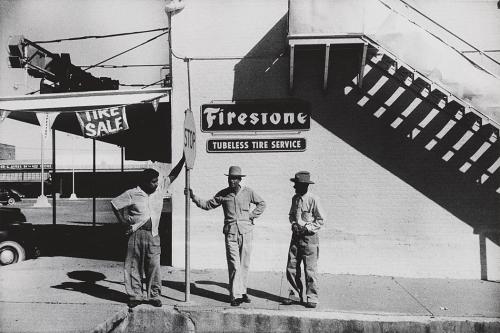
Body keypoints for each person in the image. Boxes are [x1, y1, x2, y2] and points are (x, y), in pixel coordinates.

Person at [111, 155, 185, 308]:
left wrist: (184, 160)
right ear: (144, 182)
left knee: (154, 266)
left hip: (153, 235)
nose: (156, 184)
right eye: (153, 182)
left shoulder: (159, 189)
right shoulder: (132, 193)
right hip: (136, 234)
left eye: (157, 181)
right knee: (134, 266)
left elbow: (173, 175)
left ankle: (154, 296)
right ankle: (135, 295)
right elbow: (115, 204)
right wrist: (123, 222)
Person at [188, 166, 266, 306]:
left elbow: (262, 203)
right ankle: (235, 296)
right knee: (234, 264)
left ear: (240, 179)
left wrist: (251, 216)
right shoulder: (224, 194)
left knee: (244, 265)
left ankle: (242, 292)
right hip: (230, 233)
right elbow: (207, 205)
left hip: (246, 232)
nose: (232, 181)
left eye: (235, 178)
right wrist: (193, 197)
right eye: (230, 178)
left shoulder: (248, 192)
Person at [283, 171, 325, 309]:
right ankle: (294, 293)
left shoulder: (314, 199)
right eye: (295, 184)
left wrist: (306, 228)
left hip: (309, 238)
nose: (295, 187)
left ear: (305, 185)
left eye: (297, 185)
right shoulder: (295, 198)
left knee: (310, 269)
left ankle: (312, 297)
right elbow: (291, 215)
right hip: (296, 237)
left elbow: (321, 220)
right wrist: (294, 224)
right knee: (292, 266)